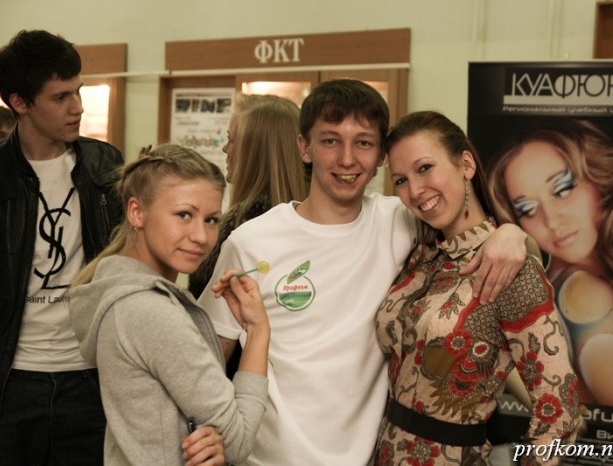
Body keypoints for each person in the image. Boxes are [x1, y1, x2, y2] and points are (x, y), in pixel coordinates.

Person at [198, 79, 529, 465]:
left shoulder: (401, 222)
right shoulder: (252, 242)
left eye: (364, 143)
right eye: (330, 141)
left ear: (381, 156)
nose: (347, 159)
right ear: (304, 147)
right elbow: (206, 357)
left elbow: (485, 240)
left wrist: (513, 235)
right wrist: (213, 434)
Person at [374, 111, 583, 465]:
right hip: (383, 452)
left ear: (466, 165)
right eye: (401, 180)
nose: (415, 190)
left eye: (425, 168)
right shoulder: (420, 255)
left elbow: (560, 413)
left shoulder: (509, 267)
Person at [68, 144, 270, 466]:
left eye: (211, 220)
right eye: (184, 215)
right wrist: (257, 330)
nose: (201, 236)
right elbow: (238, 440)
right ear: (137, 213)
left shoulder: (118, 289)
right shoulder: (151, 312)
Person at [0, 29, 123, 464]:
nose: (77, 106)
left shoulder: (105, 164)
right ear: (19, 102)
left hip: (91, 378)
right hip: (7, 383)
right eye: (60, 97)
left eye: (78, 92)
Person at [488, 118, 613, 410]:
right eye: (528, 209)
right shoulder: (585, 293)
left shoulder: (559, 283)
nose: (553, 220)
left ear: (599, 179)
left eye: (563, 189)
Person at [189, 94, 308, 379]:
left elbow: (211, 341)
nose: (225, 149)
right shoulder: (309, 222)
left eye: (232, 140)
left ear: (255, 153)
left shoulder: (243, 233)